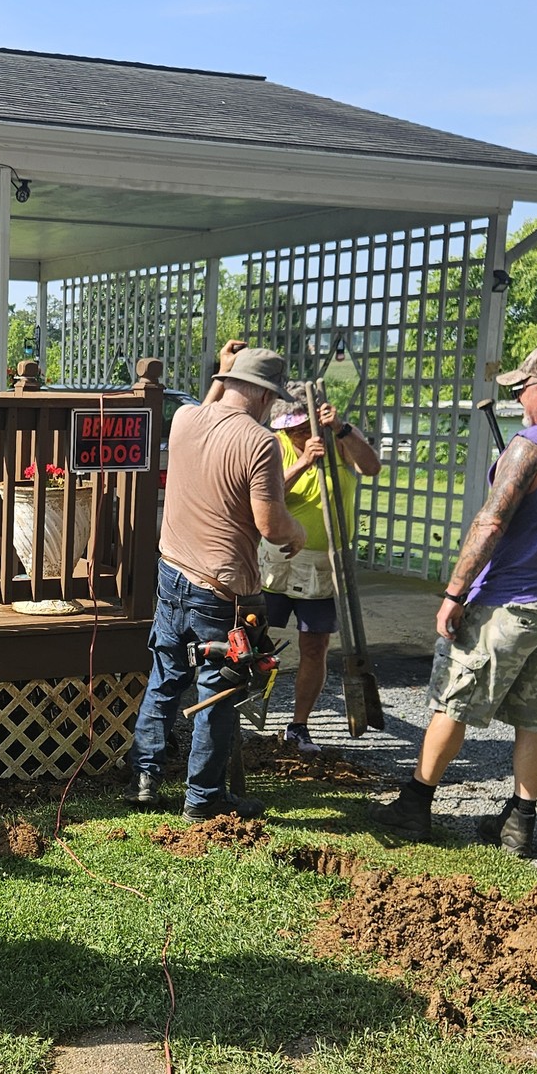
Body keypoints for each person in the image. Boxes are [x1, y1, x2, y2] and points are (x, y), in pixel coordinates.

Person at [371, 342, 537, 854]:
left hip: (508, 603)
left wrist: (454, 593)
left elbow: (491, 523)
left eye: (522, 390)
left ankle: (414, 807)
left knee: (454, 701)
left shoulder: (529, 447)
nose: (518, 400)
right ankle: (519, 823)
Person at [128, 346, 306, 820]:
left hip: (171, 573)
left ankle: (144, 778)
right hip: (219, 592)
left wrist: (222, 370)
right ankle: (203, 798)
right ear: (266, 396)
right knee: (218, 693)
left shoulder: (186, 419)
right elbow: (271, 525)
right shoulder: (260, 442)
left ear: (227, 382)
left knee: (165, 676)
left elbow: (208, 407)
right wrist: (297, 532)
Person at [259, 392, 380, 753]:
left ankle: (299, 725)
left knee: (315, 646)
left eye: (300, 427)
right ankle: (237, 714)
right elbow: (266, 495)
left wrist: (342, 429)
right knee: (253, 637)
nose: (294, 434)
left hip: (324, 563)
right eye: (289, 429)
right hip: (276, 559)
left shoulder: (339, 439)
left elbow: (371, 467)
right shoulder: (273, 445)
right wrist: (302, 462)